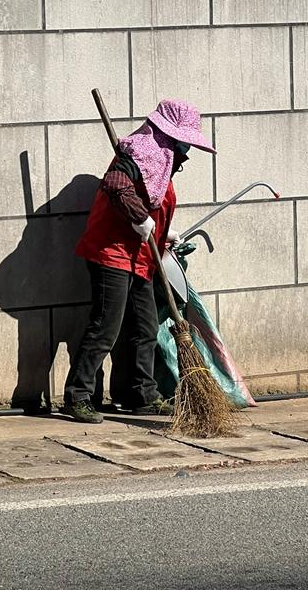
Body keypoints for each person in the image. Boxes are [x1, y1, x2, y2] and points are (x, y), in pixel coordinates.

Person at [63, 99, 216, 424]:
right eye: (184, 145)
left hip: (140, 259)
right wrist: (139, 218)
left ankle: (140, 395)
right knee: (106, 326)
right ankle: (78, 396)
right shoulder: (136, 156)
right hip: (112, 255)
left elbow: (150, 201)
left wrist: (164, 232)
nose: (186, 155)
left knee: (145, 327)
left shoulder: (158, 164)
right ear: (169, 138)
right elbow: (117, 186)